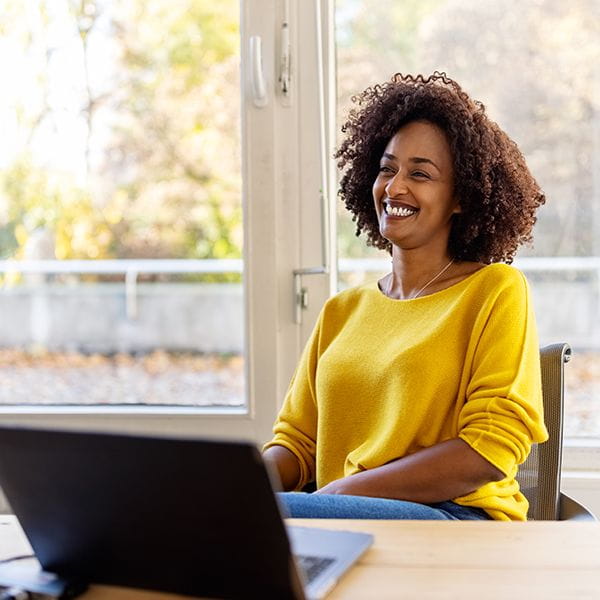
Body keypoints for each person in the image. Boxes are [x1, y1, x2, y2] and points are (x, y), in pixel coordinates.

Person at [263, 72, 548, 521]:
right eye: (387, 168)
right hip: (337, 513)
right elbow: (298, 445)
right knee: (213, 512)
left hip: (455, 519)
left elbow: (490, 450)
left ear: (460, 197)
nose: (395, 187)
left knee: (246, 524)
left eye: (420, 174)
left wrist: (338, 494)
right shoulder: (343, 311)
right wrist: (235, 484)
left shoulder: (494, 290)